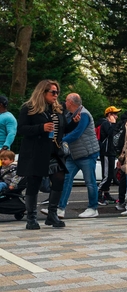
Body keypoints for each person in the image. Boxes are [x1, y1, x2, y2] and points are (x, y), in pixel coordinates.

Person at [17, 80, 78, 229]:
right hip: (35, 152)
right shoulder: (29, 108)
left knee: (59, 178)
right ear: (42, 92)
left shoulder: (57, 109)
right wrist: (41, 127)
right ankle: (31, 218)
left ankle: (52, 214)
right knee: (34, 183)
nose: (56, 95)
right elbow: (22, 129)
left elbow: (61, 130)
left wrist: (74, 123)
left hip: (53, 151)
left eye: (57, 92)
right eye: (53, 92)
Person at [56, 93, 101, 219]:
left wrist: (60, 141)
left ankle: (93, 208)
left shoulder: (84, 114)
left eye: (66, 101)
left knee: (90, 182)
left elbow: (77, 133)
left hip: (87, 154)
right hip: (74, 154)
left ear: (70, 102)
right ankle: (60, 208)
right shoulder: (70, 115)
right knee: (66, 179)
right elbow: (66, 128)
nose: (64, 103)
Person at [97, 106, 121, 205]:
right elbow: (110, 134)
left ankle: (106, 193)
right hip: (106, 152)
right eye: (114, 114)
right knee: (107, 176)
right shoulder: (106, 124)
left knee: (110, 175)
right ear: (109, 115)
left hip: (111, 152)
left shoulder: (111, 124)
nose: (116, 116)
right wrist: (114, 124)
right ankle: (97, 194)